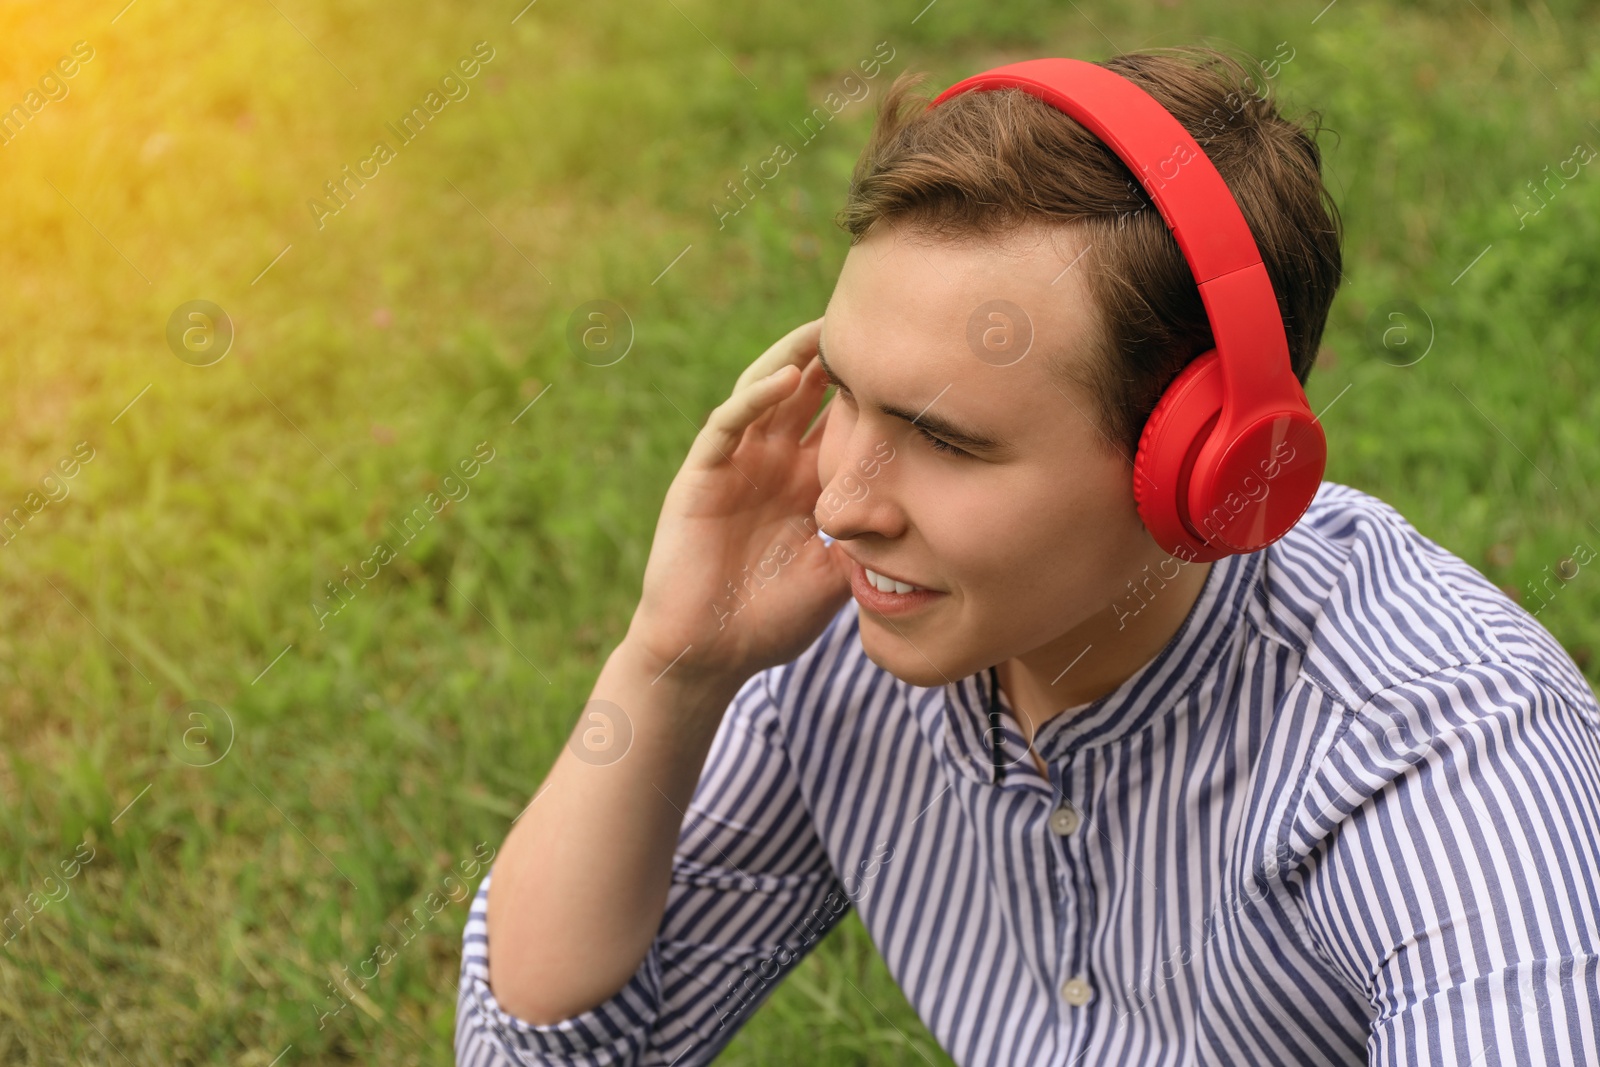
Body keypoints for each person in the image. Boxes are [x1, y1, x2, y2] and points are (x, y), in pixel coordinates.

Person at [454, 44, 1600, 1066]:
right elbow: (549, 1052)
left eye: (945, 439)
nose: (842, 504)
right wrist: (671, 663)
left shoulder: (1433, 757)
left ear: (1205, 472)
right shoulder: (842, 635)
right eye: (844, 393)